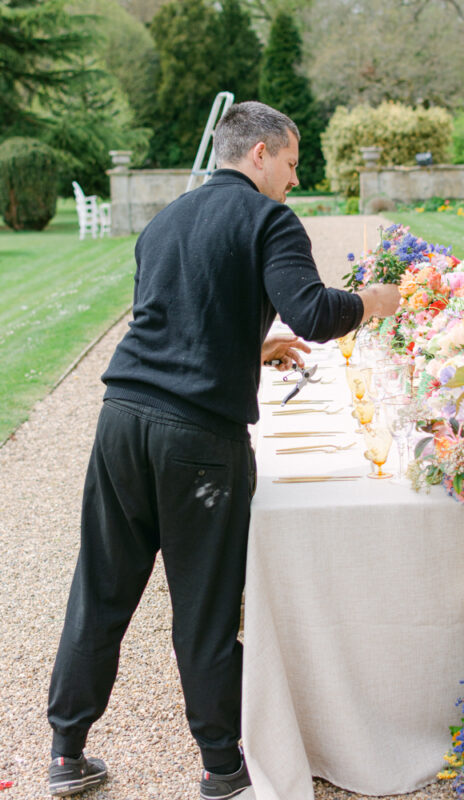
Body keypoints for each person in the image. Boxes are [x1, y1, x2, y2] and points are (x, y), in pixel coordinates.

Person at [47, 101, 401, 799]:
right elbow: (313, 311)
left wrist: (251, 344)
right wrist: (376, 301)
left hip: (121, 419)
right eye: (294, 164)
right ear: (262, 152)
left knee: (100, 588)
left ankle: (65, 751)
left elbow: (176, 315)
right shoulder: (269, 219)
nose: (295, 181)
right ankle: (221, 768)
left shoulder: (167, 219)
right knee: (205, 606)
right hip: (198, 441)